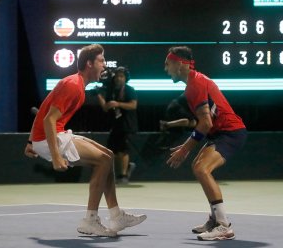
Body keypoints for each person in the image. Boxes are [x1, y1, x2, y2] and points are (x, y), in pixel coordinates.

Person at [24, 44, 146, 237]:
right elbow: (49, 119)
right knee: (103, 160)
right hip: (51, 138)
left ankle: (116, 215)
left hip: (51, 136)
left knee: (108, 155)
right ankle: (90, 220)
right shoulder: (73, 85)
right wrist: (55, 157)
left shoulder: (77, 84)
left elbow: (45, 109)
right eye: (101, 60)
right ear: (89, 63)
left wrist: (31, 142)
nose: (104, 65)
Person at [164, 46, 247, 241]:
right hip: (218, 133)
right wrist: (186, 145)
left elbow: (206, 123)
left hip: (230, 132)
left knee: (202, 169)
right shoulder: (193, 84)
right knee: (198, 167)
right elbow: (204, 121)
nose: (165, 69)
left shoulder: (196, 84)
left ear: (180, 64)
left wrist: (185, 149)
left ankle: (223, 225)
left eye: (168, 64)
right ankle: (214, 219)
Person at [97, 66, 138, 184]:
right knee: (113, 151)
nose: (119, 79)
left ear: (126, 78)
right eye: (117, 76)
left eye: (121, 76)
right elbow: (105, 107)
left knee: (123, 150)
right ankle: (127, 167)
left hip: (127, 124)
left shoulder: (129, 90)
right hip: (115, 125)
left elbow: (133, 105)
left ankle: (123, 176)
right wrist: (99, 95)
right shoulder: (111, 91)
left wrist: (118, 103)